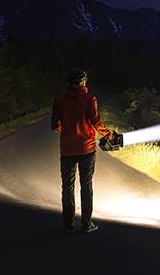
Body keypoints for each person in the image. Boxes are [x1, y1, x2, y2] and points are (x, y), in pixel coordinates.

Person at [50, 68, 112, 233]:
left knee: (67, 187)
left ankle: (68, 224)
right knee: (86, 186)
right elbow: (96, 123)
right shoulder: (89, 99)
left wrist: (66, 123)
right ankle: (87, 223)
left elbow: (55, 127)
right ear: (82, 81)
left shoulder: (59, 102)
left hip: (67, 150)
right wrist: (110, 135)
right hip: (87, 149)